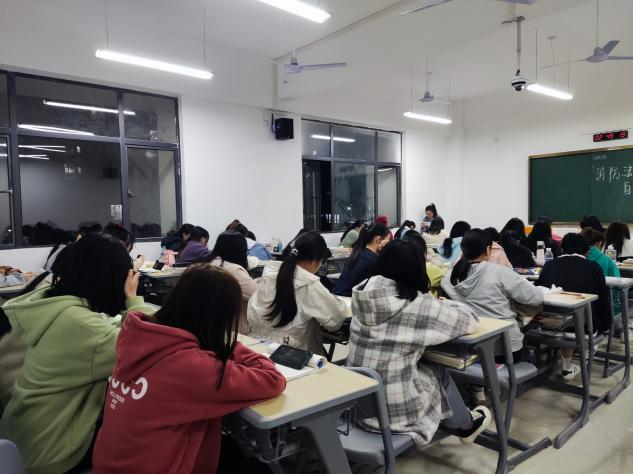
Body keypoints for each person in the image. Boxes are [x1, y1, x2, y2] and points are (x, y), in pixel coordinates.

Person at [92, 265, 285, 474]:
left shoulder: (135, 338)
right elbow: (273, 379)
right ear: (221, 318)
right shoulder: (193, 367)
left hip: (108, 463)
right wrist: (225, 344)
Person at [0, 234, 154, 473]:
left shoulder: (49, 303)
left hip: (21, 438)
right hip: (53, 453)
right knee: (144, 438)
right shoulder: (84, 327)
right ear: (110, 279)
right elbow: (150, 344)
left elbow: (95, 330)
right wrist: (134, 300)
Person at [347, 240, 491, 447]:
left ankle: (461, 419)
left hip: (358, 404)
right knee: (437, 369)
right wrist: (443, 302)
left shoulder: (361, 294)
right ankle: (466, 425)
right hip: (394, 413)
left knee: (421, 364)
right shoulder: (417, 304)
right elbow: (470, 320)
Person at [441, 229, 544, 355]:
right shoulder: (500, 272)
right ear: (488, 249)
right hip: (505, 346)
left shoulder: (449, 277)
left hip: (472, 346)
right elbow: (536, 298)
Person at [247, 231, 347, 355]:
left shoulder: (270, 274)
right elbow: (335, 321)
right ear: (314, 261)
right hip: (291, 354)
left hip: (257, 348)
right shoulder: (309, 284)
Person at [535, 233, 612, 380]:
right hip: (582, 329)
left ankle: (567, 365)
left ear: (562, 249)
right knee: (585, 316)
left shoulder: (549, 265)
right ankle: (585, 354)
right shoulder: (593, 267)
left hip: (548, 325)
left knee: (566, 314)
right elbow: (603, 302)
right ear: (586, 251)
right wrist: (605, 325)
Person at [208, 231, 258, 333]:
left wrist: (252, 282)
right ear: (240, 250)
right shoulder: (234, 270)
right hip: (234, 329)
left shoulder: (210, 264)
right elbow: (256, 295)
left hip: (212, 325)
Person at [333, 223, 390, 297]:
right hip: (350, 299)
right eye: (388, 241)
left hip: (338, 295)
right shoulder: (374, 260)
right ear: (379, 239)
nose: (389, 244)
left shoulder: (358, 253)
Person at [582, 227, 622, 324]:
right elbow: (617, 286)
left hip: (578, 307)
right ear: (599, 243)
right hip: (602, 309)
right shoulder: (607, 261)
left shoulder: (576, 260)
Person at [402, 231, 447, 297]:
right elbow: (446, 273)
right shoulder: (427, 267)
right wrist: (431, 258)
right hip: (430, 300)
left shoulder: (401, 265)